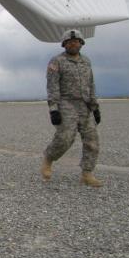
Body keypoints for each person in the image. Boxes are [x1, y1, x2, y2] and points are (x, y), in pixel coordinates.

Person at [41, 29, 103, 187]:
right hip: (66, 103)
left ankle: (87, 173)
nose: (73, 43)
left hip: (85, 105)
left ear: (81, 43)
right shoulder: (57, 62)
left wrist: (95, 107)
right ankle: (49, 158)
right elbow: (52, 86)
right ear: (64, 44)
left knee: (92, 141)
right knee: (65, 138)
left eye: (76, 41)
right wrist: (54, 109)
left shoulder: (86, 62)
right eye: (69, 42)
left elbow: (91, 84)